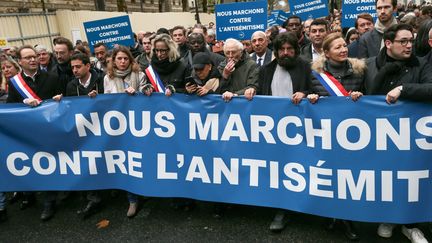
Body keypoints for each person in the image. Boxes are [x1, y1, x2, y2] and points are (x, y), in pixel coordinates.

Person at [365, 23, 432, 243]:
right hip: (383, 137)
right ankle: (389, 218)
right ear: (388, 43)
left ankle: (411, 225)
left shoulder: (422, 64)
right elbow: (368, 97)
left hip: (413, 139)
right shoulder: (372, 65)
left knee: (411, 179)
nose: (408, 45)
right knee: (387, 177)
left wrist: (404, 90)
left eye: (411, 41)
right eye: (403, 41)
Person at [307, 33, 366, 240]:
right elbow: (304, 95)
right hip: (325, 135)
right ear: (326, 52)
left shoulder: (359, 71)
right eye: (337, 47)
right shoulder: (315, 74)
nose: (343, 49)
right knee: (329, 177)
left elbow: (370, 100)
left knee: (348, 178)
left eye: (344, 45)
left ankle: (348, 218)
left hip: (351, 136)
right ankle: (331, 215)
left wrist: (361, 98)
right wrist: (309, 97)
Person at [7, 45, 61, 221]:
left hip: (48, 131)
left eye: (34, 56)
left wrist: (58, 100)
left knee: (48, 165)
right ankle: (29, 195)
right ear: (20, 61)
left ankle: (49, 202)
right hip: (27, 132)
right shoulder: (14, 83)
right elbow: (9, 108)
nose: (32, 60)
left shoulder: (52, 78)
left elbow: (63, 102)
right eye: (28, 57)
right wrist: (23, 101)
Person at [103, 46, 145, 217]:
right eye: (118, 59)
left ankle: (145, 190)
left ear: (130, 60)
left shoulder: (139, 75)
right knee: (126, 162)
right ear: (113, 61)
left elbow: (149, 98)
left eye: (125, 59)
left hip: (138, 125)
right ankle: (132, 200)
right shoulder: (108, 78)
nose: (122, 62)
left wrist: (138, 94)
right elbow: (106, 100)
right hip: (119, 127)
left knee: (140, 160)